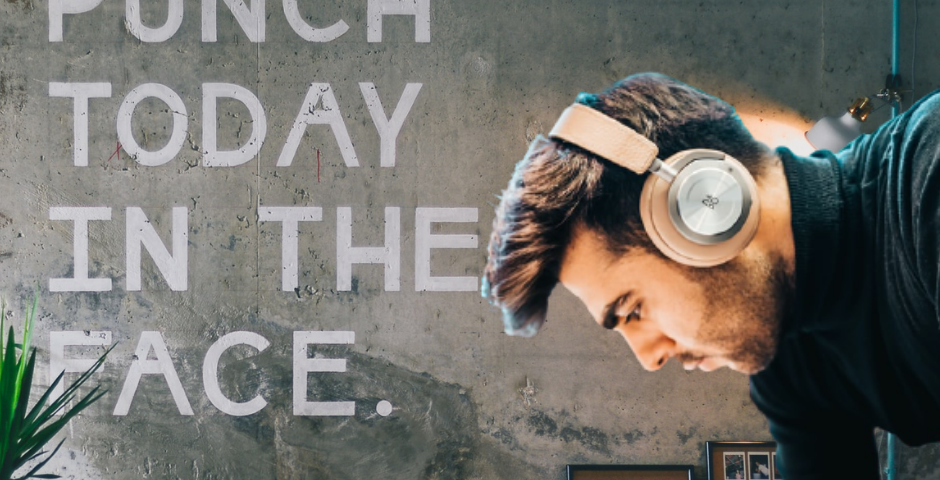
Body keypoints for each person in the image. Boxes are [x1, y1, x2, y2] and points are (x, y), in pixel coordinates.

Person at [481, 72, 940, 479]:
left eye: (633, 310)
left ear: (702, 207)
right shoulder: (787, 363)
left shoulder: (927, 178)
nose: (648, 358)